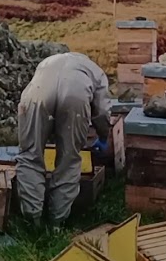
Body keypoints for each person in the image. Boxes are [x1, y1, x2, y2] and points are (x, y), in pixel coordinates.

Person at [15, 52, 111, 225]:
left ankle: (33, 220)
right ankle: (56, 223)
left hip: (37, 95)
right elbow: (102, 112)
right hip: (75, 97)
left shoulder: (48, 60)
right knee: (69, 161)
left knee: (30, 156)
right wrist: (104, 136)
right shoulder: (96, 71)